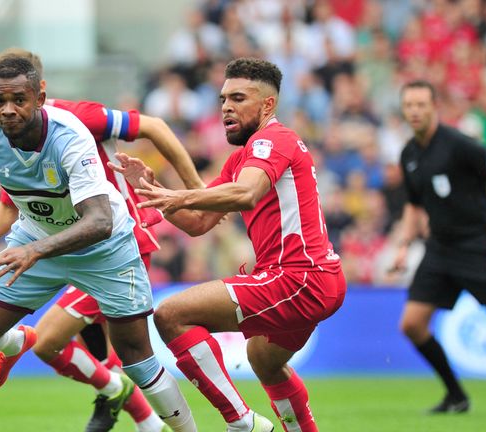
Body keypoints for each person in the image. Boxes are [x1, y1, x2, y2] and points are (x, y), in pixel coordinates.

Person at [0, 55, 196, 432]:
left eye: (18, 99)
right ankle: (23, 345)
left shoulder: (72, 131)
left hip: (106, 248)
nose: (8, 109)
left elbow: (99, 221)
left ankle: (166, 422)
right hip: (39, 241)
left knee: (136, 357)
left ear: (40, 96)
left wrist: (195, 189)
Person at [110, 58, 346, 432]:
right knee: (263, 359)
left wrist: (180, 196)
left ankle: (241, 422)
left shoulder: (274, 139)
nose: (226, 108)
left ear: (268, 105)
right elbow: (199, 222)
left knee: (171, 315)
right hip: (312, 279)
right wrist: (149, 189)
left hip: (299, 277)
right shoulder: (241, 159)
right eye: (223, 99)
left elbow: (247, 193)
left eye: (238, 98)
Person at [390, 80, 486, 413]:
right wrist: (403, 245)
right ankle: (456, 396)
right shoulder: (409, 154)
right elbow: (414, 204)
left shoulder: (461, 145)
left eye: (421, 105)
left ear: (435, 107)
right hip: (439, 250)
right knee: (412, 325)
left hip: (477, 248)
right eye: (409, 105)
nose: (415, 111)